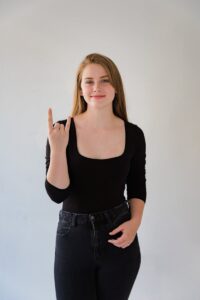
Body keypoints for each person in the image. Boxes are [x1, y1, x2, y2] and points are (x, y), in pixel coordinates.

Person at [45, 53, 147, 300]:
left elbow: (136, 187)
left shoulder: (133, 134)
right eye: (89, 81)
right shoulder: (62, 130)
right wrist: (58, 149)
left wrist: (135, 224)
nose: (97, 88)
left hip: (118, 238)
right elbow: (57, 194)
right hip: (73, 240)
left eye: (105, 80)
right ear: (80, 89)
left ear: (116, 88)